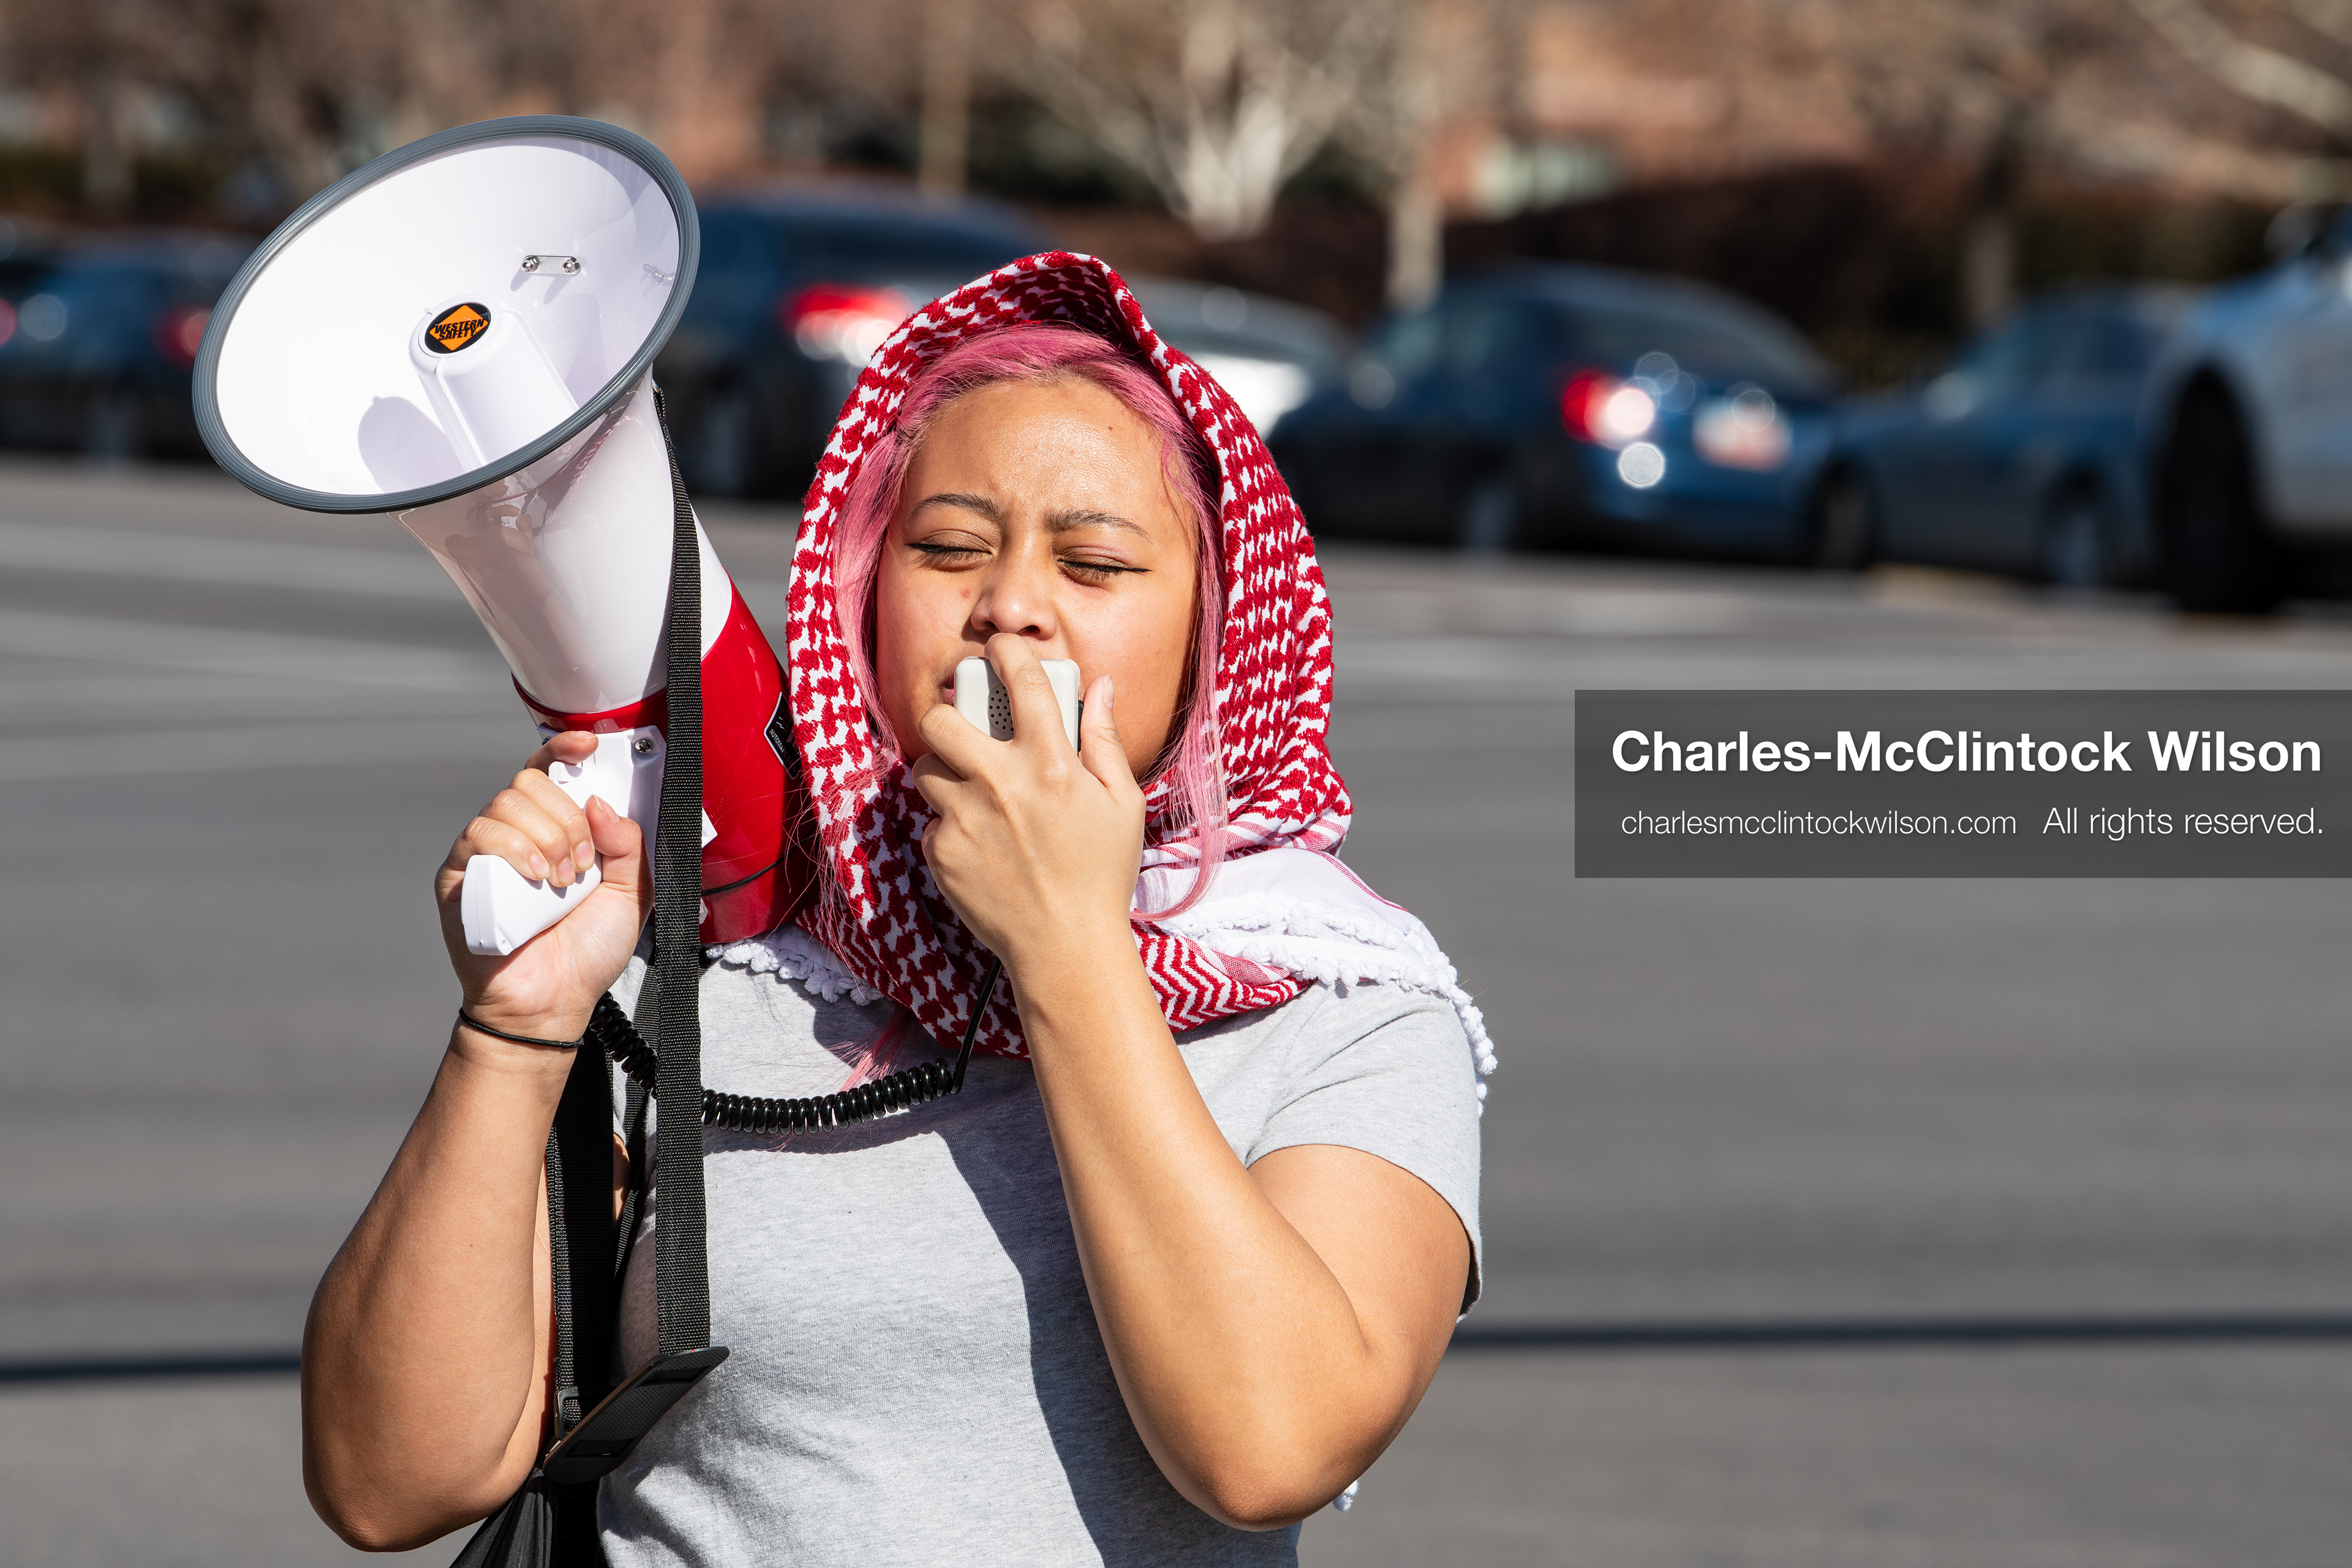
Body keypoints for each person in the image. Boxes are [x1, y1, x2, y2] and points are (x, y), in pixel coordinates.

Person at [301, 254, 1493, 1566]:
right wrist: (516, 1029)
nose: (1011, 607)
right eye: (948, 548)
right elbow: (386, 1477)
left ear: (1215, 634)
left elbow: (1270, 1444)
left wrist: (1071, 950)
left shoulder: (1348, 1009)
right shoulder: (732, 948)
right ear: (866, 590)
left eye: (1094, 564)